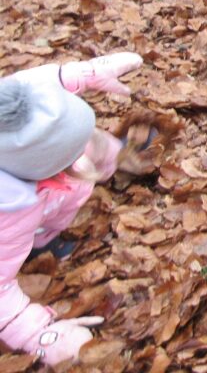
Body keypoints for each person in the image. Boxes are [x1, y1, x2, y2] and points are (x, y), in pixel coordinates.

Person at [0, 53, 150, 366]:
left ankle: (115, 162)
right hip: (21, 236)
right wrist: (38, 333)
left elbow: (34, 87)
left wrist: (86, 73)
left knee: (87, 153)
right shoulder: (8, 214)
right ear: (48, 171)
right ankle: (44, 242)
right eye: (69, 158)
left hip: (47, 195)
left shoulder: (22, 120)